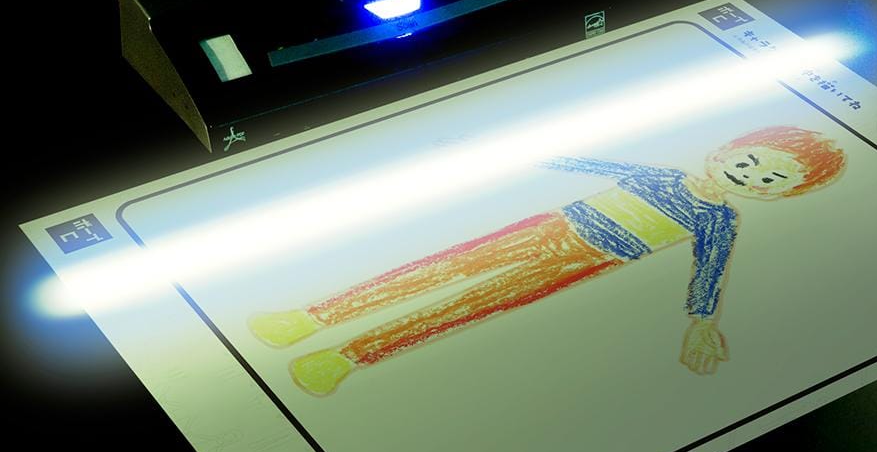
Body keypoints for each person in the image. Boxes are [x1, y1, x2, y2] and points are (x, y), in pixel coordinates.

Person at [249, 125, 846, 396]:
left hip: (586, 260)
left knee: (469, 306)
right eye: (750, 161)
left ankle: (344, 357)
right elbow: (583, 164)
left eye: (771, 179)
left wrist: (702, 320)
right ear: (726, 150)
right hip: (548, 227)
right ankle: (309, 318)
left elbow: (710, 269)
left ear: (783, 195)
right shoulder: (660, 174)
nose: (750, 175)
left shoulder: (720, 221)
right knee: (434, 270)